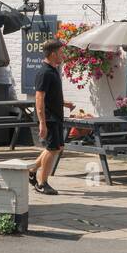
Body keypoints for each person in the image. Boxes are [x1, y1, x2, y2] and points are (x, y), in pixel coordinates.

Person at [29, 39, 74, 195]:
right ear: (53, 53)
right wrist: (42, 122)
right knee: (52, 148)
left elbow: (51, 96)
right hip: (49, 118)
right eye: (61, 52)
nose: (63, 55)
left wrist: (64, 103)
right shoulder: (44, 73)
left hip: (56, 116)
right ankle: (42, 183)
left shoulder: (53, 70)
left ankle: (32, 169)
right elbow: (39, 98)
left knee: (58, 147)